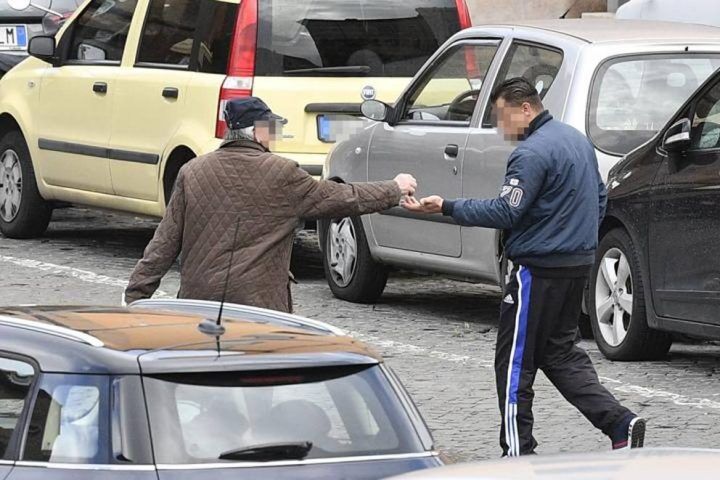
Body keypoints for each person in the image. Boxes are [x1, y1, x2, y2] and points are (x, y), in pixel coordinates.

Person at [403, 78, 645, 456]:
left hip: (536, 270)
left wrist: (448, 206)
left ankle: (518, 451)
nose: (502, 129)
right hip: (575, 265)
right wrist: (577, 240)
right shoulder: (576, 140)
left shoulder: (530, 154)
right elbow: (599, 197)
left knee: (515, 362)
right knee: (559, 353)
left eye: (502, 118)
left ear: (525, 108)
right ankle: (619, 423)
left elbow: (506, 210)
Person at [125, 97, 416, 312]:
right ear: (256, 131)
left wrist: (136, 296)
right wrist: (394, 189)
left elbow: (164, 242)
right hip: (258, 307)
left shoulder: (193, 171)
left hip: (198, 304)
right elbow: (342, 197)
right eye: (271, 127)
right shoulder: (282, 172)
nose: (274, 134)